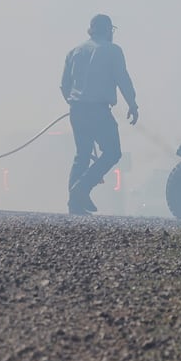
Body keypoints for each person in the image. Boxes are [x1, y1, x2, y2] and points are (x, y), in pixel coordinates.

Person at [60, 13, 139, 215]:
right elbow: (123, 79)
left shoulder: (74, 51)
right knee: (113, 152)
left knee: (82, 155)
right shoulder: (113, 51)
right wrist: (133, 104)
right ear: (108, 30)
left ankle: (74, 205)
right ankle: (82, 188)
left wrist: (75, 103)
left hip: (77, 109)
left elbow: (64, 86)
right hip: (99, 111)